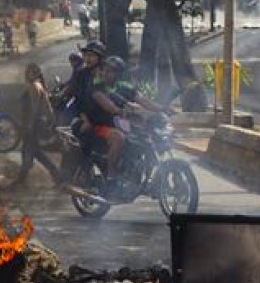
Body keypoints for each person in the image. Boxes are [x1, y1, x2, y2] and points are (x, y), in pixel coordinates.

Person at [80, 55, 173, 193]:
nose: (106, 73)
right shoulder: (96, 87)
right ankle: (111, 177)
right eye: (104, 70)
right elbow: (107, 105)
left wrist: (162, 108)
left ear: (118, 74)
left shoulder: (123, 87)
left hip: (117, 123)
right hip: (98, 125)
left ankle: (140, 176)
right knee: (118, 137)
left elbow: (142, 100)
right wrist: (120, 111)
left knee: (145, 136)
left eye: (110, 71)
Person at [17, 63, 61, 184]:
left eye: (29, 71)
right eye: (26, 71)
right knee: (34, 151)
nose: (26, 74)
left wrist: (30, 125)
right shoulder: (38, 85)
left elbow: (35, 108)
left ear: (35, 73)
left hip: (34, 123)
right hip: (36, 122)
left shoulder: (34, 86)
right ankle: (56, 174)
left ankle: (22, 179)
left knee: (30, 150)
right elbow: (47, 107)